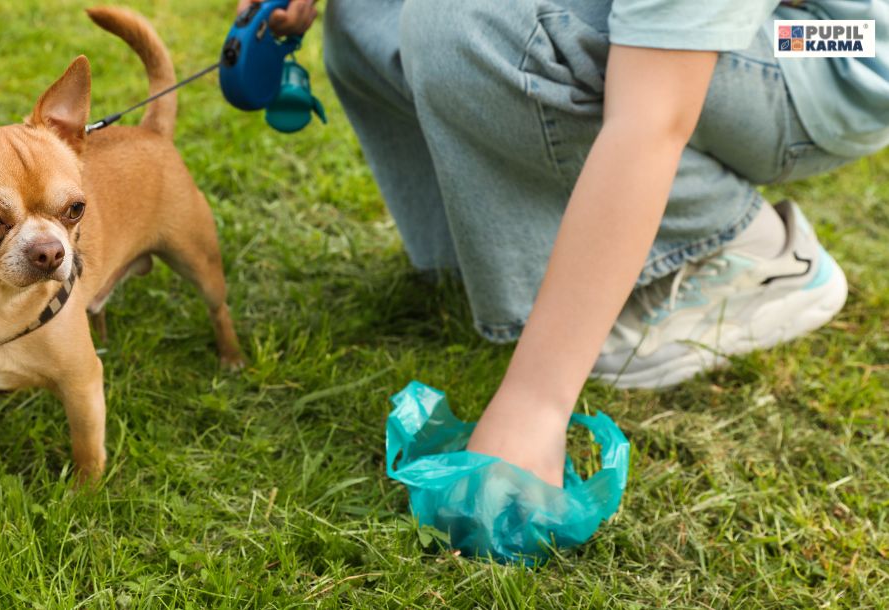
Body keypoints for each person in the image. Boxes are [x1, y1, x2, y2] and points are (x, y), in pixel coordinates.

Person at [241, 0, 889, 485]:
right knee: (372, 9)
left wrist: (536, 406)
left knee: (475, 19)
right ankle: (522, 253)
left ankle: (740, 247)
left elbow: (652, 116)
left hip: (823, 42)